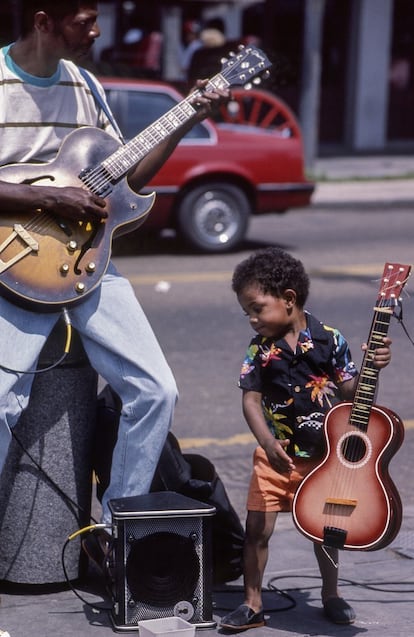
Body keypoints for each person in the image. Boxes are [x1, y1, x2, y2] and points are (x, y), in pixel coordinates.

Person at [0, 1, 230, 532]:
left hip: (86, 260)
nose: (97, 31)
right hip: (13, 265)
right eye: (83, 22)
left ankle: (113, 534)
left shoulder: (85, 85)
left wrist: (188, 115)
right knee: (2, 407)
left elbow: (127, 175)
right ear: (42, 22)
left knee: (156, 390)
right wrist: (56, 203)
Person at [220, 247, 392, 630]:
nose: (251, 319)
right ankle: (252, 603)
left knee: (326, 530)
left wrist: (372, 369)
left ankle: (331, 594)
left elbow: (354, 394)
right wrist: (267, 444)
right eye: (246, 311)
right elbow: (250, 399)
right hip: (275, 457)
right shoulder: (260, 350)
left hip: (324, 458)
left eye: (256, 308)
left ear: (289, 300)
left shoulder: (331, 340)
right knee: (256, 531)